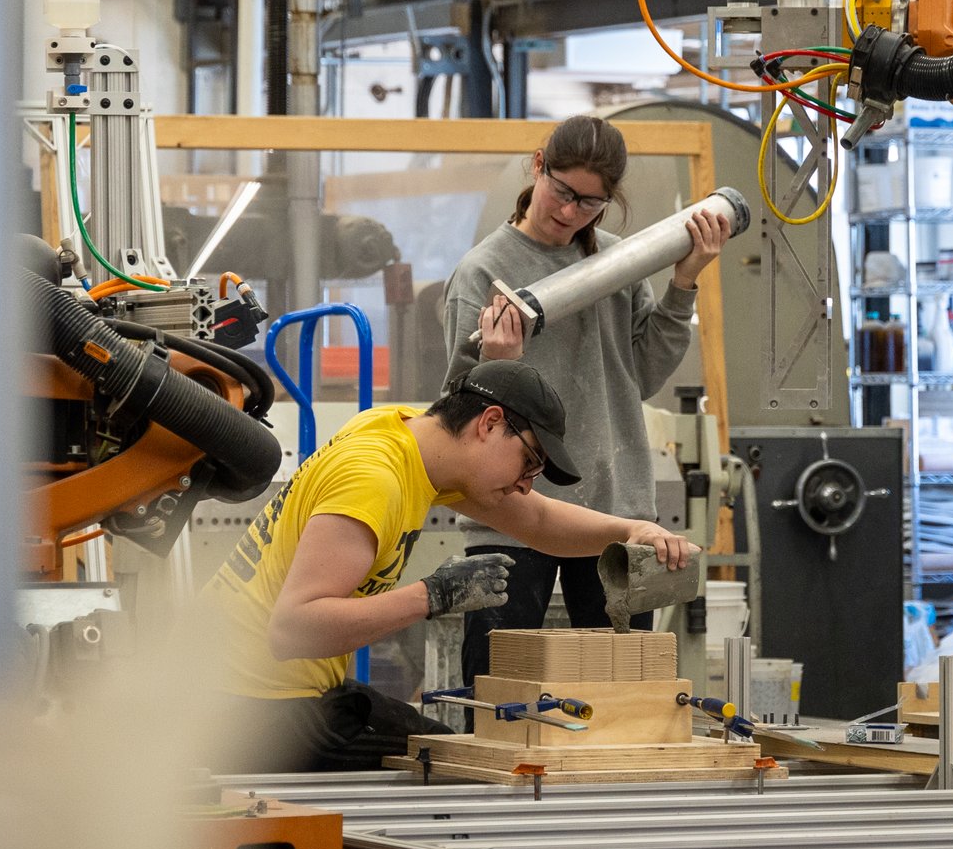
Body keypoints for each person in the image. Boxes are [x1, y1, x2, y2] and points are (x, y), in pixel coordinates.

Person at [207, 359, 692, 771]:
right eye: (529, 463)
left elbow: (539, 520)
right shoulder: (374, 479)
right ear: (489, 423)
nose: (526, 484)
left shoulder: (405, 437)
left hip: (252, 690)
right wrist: (433, 595)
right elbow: (292, 630)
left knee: (444, 747)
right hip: (253, 712)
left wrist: (632, 531)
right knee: (458, 769)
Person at [443, 115, 731, 682]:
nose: (571, 212)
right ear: (537, 166)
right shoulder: (483, 273)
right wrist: (500, 367)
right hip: (512, 508)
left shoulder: (619, 264)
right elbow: (454, 412)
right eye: (563, 191)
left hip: (614, 505)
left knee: (625, 688)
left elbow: (639, 373)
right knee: (499, 685)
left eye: (591, 203)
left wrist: (684, 282)